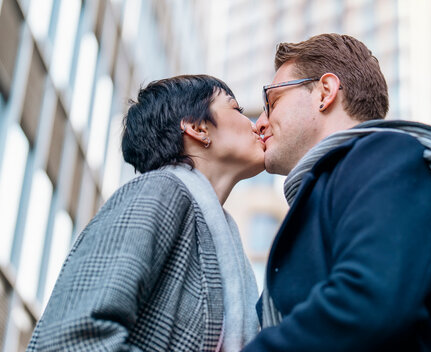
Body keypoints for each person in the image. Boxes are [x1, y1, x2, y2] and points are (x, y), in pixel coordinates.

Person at [242, 33, 431, 351]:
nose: (260, 123)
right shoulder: (347, 178)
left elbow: (369, 298)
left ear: (325, 92)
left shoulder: (389, 156)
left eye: (272, 102)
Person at [27, 75, 263, 351]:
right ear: (198, 128)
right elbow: (71, 338)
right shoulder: (159, 191)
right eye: (237, 109)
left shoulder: (221, 241)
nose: (256, 125)